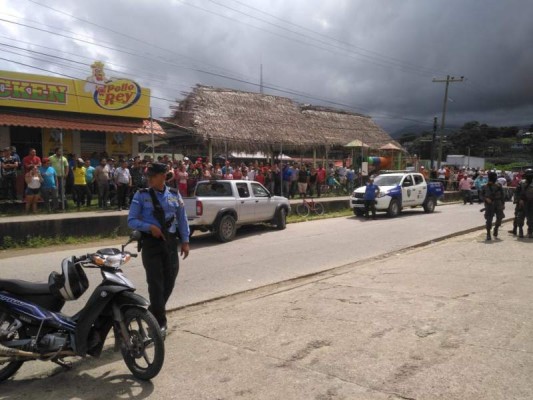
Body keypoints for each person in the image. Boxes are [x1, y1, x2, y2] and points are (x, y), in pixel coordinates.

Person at [128, 163, 190, 336]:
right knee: (155, 284)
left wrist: (185, 241)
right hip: (151, 243)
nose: (148, 180)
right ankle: (160, 323)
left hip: (170, 242)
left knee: (170, 280)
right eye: (148, 176)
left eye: (152, 176)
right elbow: (131, 220)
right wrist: (149, 227)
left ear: (163, 176)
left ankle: (151, 313)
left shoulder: (174, 195)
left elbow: (182, 219)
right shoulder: (141, 195)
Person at [481, 171, 505, 241]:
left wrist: (503, 204)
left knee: (500, 218)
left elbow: (502, 195)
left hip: (498, 203)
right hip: (489, 204)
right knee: (489, 220)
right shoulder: (485, 186)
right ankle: (488, 234)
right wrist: (486, 199)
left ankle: (496, 228)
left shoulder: (499, 185)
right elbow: (481, 195)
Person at [519, 169, 533, 239]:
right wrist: (519, 200)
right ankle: (520, 231)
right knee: (520, 217)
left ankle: (530, 232)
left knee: (531, 219)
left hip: (531, 203)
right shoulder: (521, 182)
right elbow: (516, 192)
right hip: (522, 203)